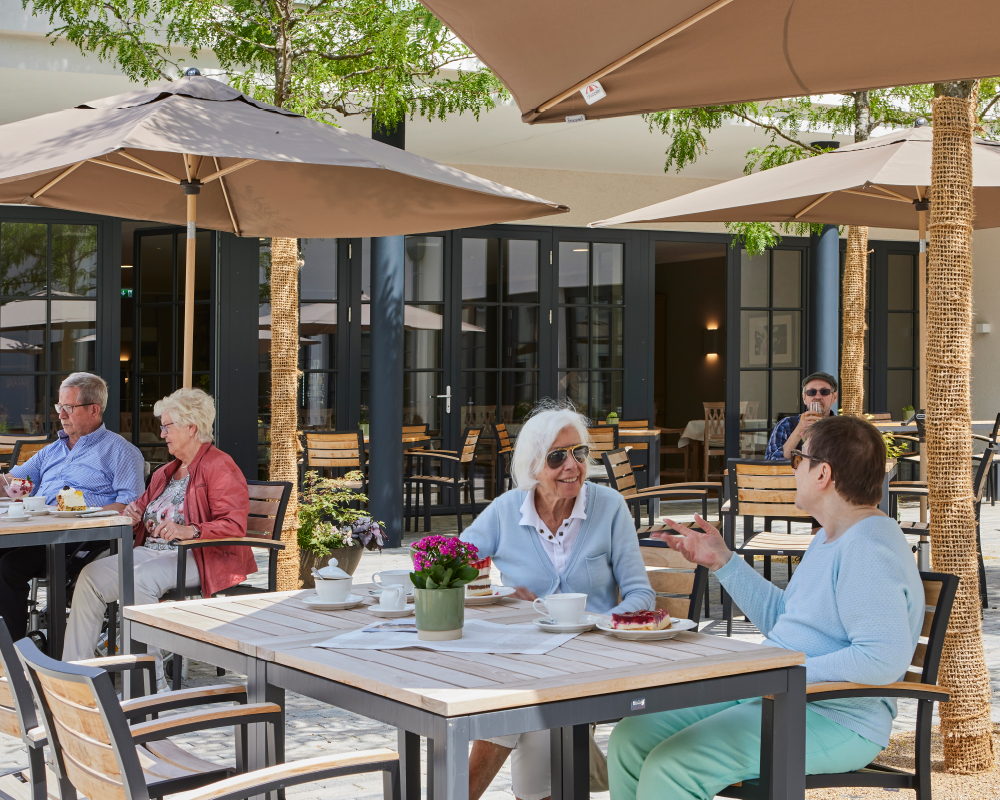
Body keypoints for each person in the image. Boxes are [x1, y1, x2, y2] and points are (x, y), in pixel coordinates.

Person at [608, 415, 924, 800]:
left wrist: (782, 672)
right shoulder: (831, 537)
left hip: (836, 717)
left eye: (798, 460)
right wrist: (723, 561)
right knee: (632, 736)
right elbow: (786, 620)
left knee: (673, 766)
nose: (793, 469)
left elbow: (882, 658)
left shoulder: (868, 548)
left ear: (823, 473)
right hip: (780, 695)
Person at [460, 402, 653, 800]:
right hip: (525, 656)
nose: (572, 465)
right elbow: (448, 565)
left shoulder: (609, 506)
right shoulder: (504, 511)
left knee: (519, 706)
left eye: (579, 452)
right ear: (532, 467)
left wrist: (599, 624)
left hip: (591, 661)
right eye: (556, 457)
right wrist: (499, 593)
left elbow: (640, 594)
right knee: (533, 714)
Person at [62, 388, 252, 682]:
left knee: (138, 582)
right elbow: (139, 507)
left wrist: (190, 530)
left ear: (191, 427)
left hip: (198, 554)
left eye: (167, 426)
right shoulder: (166, 471)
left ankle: (149, 683)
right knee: (90, 577)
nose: (162, 434)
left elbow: (234, 524)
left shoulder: (219, 466)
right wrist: (133, 514)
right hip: (153, 553)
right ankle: (75, 676)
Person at [0, 373, 144, 641]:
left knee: (9, 567)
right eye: (60, 407)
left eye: (69, 407)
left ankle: (15, 656)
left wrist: (85, 513)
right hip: (39, 530)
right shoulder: (53, 450)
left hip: (83, 538)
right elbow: (13, 483)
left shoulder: (120, 451)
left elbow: (130, 508)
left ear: (93, 410)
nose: (61, 414)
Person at [765, 372, 839, 460]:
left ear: (834, 397)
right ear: (804, 398)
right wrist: (798, 430)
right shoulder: (787, 424)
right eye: (812, 392)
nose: (818, 396)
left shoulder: (842, 427)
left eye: (824, 392)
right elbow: (771, 462)